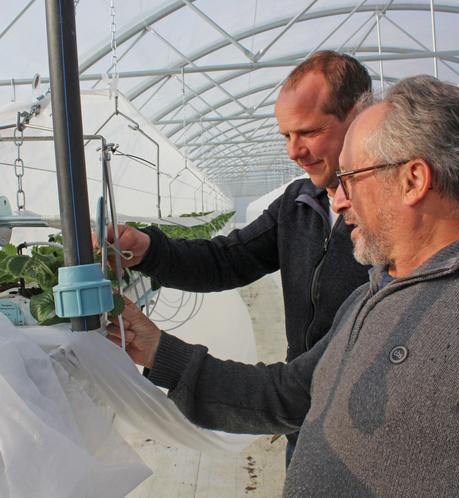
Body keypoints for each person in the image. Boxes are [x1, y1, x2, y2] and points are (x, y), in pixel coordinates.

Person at [108, 75, 459, 497]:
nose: (337, 200)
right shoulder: (371, 296)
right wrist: (155, 349)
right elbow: (288, 395)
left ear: (413, 180)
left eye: (350, 179)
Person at [108, 51, 372, 459]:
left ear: (360, 116)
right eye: (285, 135)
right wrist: (148, 250)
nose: (293, 151)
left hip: (365, 428)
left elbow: (309, 386)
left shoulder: (390, 226)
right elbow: (227, 259)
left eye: (308, 132)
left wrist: (167, 355)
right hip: (302, 423)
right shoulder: (299, 203)